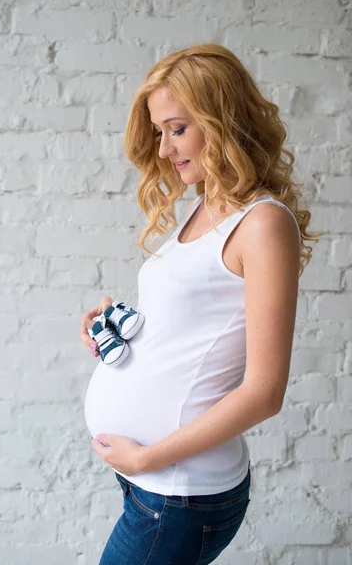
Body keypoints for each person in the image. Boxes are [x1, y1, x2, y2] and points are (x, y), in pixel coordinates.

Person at [79, 43, 320, 565]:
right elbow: (194, 326)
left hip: (179, 491)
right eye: (160, 132)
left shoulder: (262, 223)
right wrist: (118, 331)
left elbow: (264, 392)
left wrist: (147, 457)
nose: (164, 150)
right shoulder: (205, 204)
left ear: (222, 118)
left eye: (177, 128)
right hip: (153, 484)